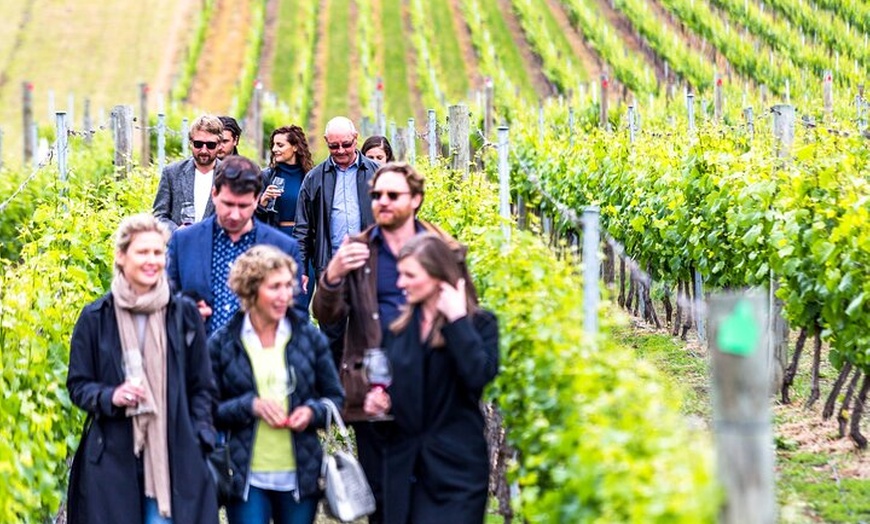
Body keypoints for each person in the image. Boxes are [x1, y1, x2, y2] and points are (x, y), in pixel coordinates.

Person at [313, 162, 478, 523]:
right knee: (383, 498)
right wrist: (333, 274)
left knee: (429, 493)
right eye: (376, 195)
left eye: (392, 195)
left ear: (416, 199)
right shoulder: (359, 250)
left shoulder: (443, 249)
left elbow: (466, 312)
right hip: (375, 391)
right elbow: (327, 315)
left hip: (431, 390)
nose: (382, 201)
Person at [66, 214, 218, 524]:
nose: (152, 260)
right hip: (113, 458)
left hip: (174, 456)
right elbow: (78, 384)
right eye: (143, 252)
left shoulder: (182, 314)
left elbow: (202, 385)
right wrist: (111, 396)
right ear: (121, 257)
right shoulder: (96, 317)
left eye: (158, 252)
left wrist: (200, 438)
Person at [363, 233, 498, 524]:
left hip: (456, 475)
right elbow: (397, 404)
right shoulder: (398, 331)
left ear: (438, 275)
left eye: (410, 275)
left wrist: (457, 320)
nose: (401, 284)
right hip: (404, 473)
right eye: (400, 274)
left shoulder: (480, 325)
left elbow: (477, 376)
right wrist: (380, 406)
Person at [209, 245, 343, 524]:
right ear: (250, 290)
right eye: (274, 287)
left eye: (287, 286)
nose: (285, 295)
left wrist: (312, 412)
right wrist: (249, 406)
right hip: (246, 476)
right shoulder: (224, 343)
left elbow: (335, 399)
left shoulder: (309, 338)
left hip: (300, 476)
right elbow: (207, 409)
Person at [167, 155, 306, 336]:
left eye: (243, 206)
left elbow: (298, 315)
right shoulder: (184, 241)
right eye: (228, 204)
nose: (234, 215)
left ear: (256, 200)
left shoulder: (283, 248)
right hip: (199, 349)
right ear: (214, 194)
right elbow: (167, 301)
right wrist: (184, 312)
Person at [153, 114, 223, 231]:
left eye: (210, 145)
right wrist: (177, 231)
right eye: (198, 144)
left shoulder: (230, 175)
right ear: (191, 143)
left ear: (219, 145)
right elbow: (159, 216)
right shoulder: (172, 173)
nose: (204, 150)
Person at [256, 125, 314, 236]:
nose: (274, 149)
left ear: (295, 147)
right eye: (273, 145)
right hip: (274, 237)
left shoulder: (310, 177)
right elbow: (254, 219)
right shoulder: (266, 176)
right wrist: (263, 201)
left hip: (303, 238)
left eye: (280, 145)